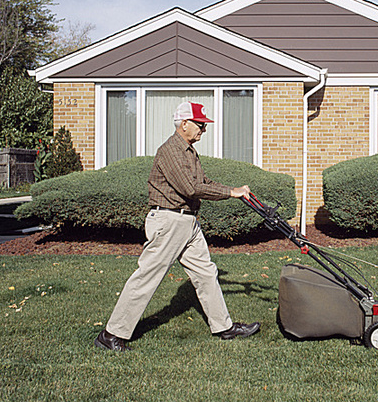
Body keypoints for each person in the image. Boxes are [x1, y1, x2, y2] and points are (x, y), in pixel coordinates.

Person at [95, 101, 260, 351]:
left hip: (187, 222)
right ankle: (111, 335)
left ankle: (223, 326)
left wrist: (237, 190)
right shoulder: (171, 150)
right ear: (184, 124)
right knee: (147, 276)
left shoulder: (189, 151)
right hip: (169, 221)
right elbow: (191, 188)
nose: (203, 130)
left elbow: (203, 181)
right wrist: (231, 193)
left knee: (206, 272)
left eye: (204, 126)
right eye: (200, 125)